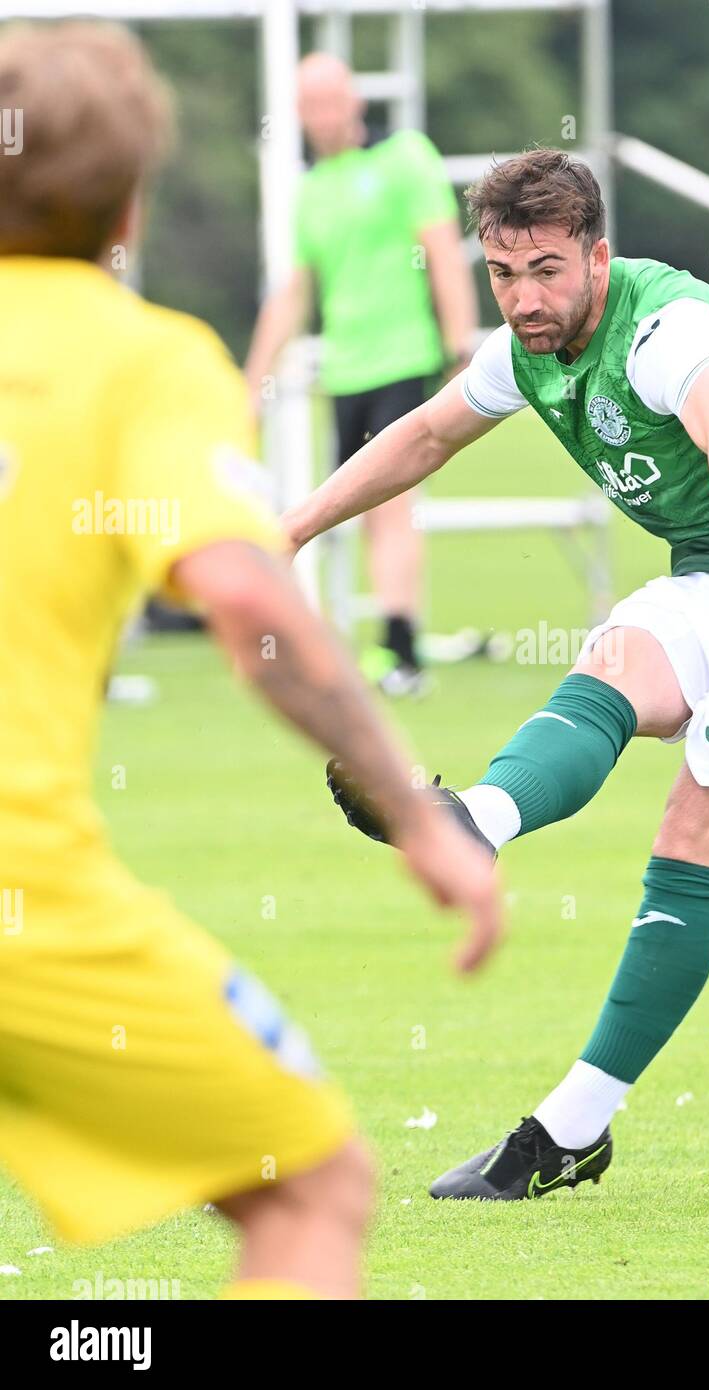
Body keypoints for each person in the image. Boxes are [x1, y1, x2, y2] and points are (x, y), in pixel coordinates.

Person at [281, 147, 709, 1201]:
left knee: (693, 832)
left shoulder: (670, 331)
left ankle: (571, 1129)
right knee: (610, 671)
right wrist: (291, 526)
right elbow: (429, 435)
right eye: (503, 273)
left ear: (599, 258)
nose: (523, 299)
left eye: (546, 273)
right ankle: (471, 819)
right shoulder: (525, 347)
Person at [0, 20, 500, 1294]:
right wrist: (419, 814)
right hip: (22, 899)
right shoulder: (142, 360)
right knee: (312, 1190)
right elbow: (242, 591)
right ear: (129, 196)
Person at [244, 52, 478, 696]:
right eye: (308, 105)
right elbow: (293, 292)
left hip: (403, 358)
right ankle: (347, 643)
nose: (322, 115)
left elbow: (443, 254)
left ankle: (401, 647)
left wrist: (461, 343)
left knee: (393, 500)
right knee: (349, 507)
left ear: (355, 99)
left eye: (330, 99)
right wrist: (252, 382)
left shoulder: (406, 158)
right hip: (344, 370)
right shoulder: (310, 189)